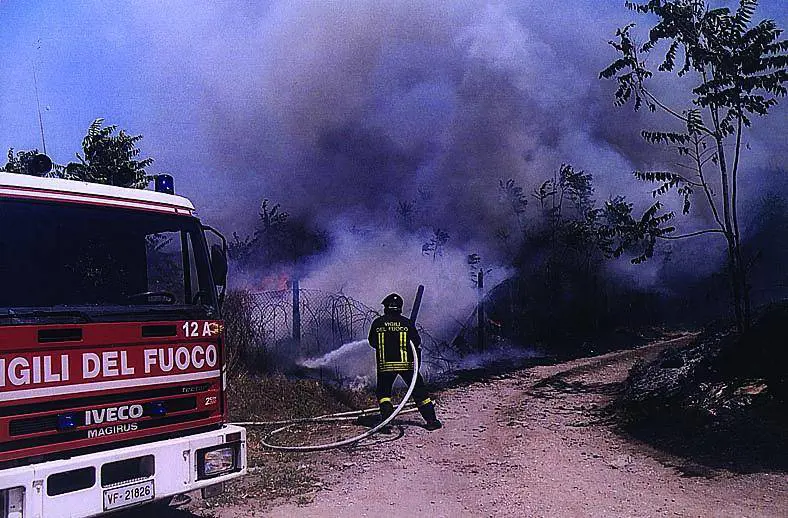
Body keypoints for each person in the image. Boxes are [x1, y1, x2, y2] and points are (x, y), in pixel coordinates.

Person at [367, 293, 442, 431]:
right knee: (420, 393)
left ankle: (386, 423)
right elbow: (417, 342)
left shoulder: (378, 323)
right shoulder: (407, 323)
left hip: (386, 366)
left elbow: (372, 342)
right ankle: (431, 421)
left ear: (386, 307)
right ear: (399, 307)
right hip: (407, 365)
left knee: (384, 395)